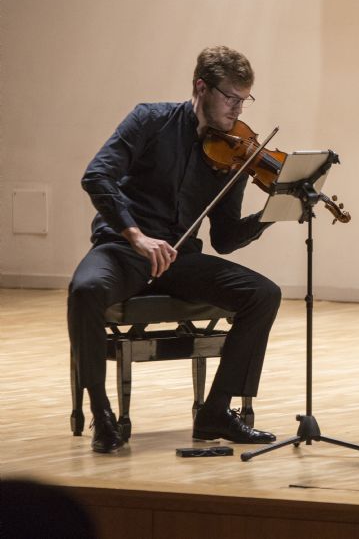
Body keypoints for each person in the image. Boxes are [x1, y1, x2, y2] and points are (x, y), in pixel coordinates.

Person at [68, 46, 282, 453]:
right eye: (230, 98)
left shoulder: (234, 153)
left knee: (263, 294)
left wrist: (273, 213)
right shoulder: (150, 119)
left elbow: (226, 238)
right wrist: (136, 235)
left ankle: (216, 411)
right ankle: (102, 413)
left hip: (180, 260)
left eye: (244, 100)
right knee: (85, 290)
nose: (238, 110)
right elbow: (97, 176)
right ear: (201, 87)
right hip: (124, 250)